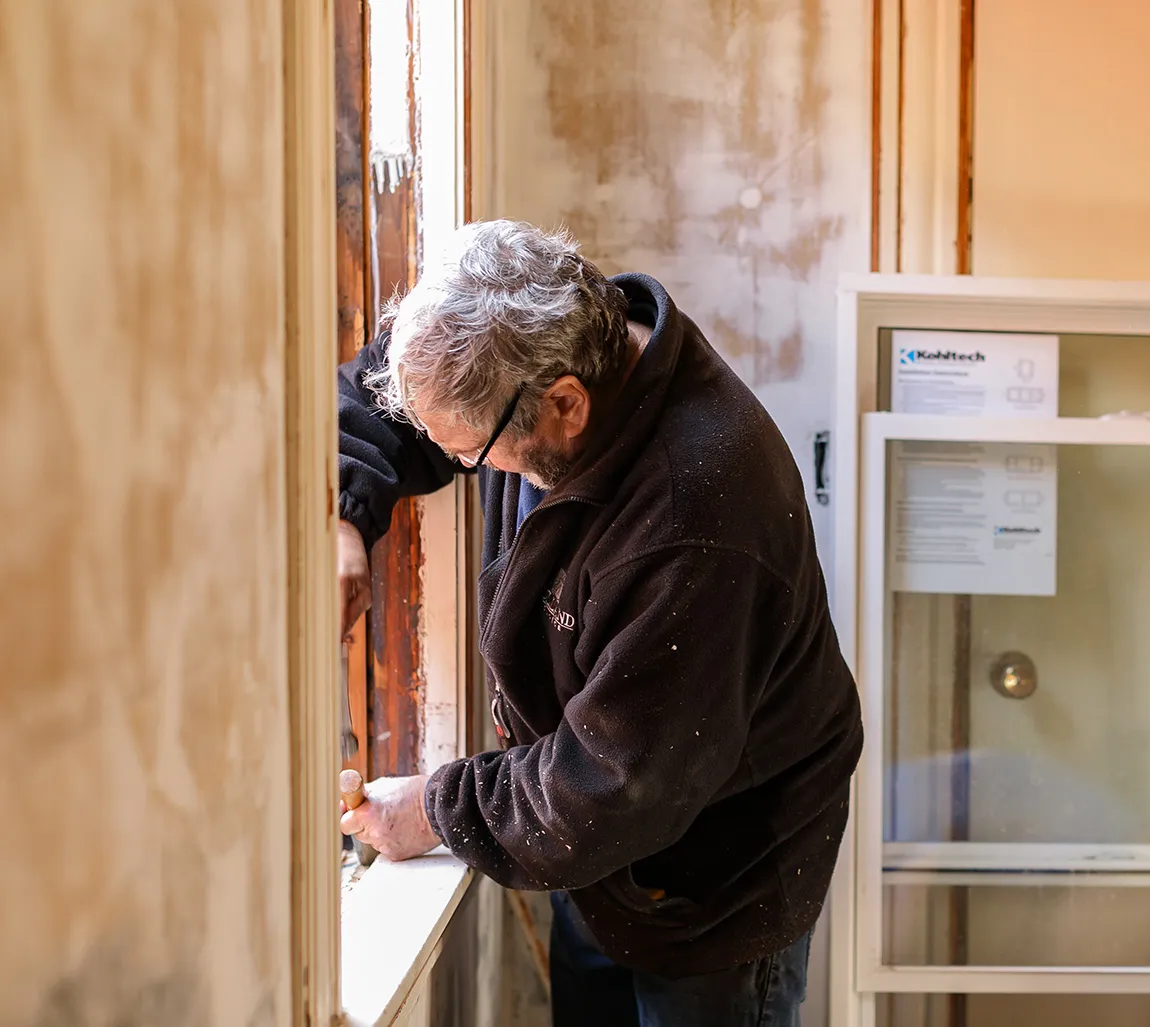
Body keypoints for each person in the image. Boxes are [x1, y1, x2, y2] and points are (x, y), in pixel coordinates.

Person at [336, 219, 863, 1027]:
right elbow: (389, 394)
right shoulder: (526, 337)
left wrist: (435, 809)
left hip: (714, 873)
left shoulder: (695, 516)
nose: (468, 467)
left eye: (472, 456)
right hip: (593, 838)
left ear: (566, 406)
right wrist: (343, 516)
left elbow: (614, 785)